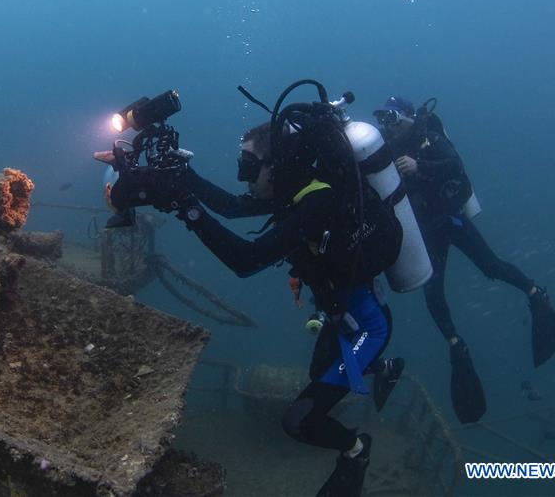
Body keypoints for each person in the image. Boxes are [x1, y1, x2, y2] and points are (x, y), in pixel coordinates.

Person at [149, 115, 404, 497]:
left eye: (249, 166)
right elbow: (233, 206)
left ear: (278, 164)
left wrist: (188, 209)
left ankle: (355, 450)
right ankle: (383, 369)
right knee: (320, 370)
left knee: (300, 421)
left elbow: (246, 260)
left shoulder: (318, 200)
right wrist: (183, 176)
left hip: (367, 328)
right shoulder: (292, 192)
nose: (243, 176)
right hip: (340, 317)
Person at [373, 96, 555, 424]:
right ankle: (456, 345)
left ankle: (534, 294)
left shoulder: (428, 137)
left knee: (491, 266)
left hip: (450, 220)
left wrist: (420, 166)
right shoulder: (388, 150)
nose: (389, 126)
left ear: (407, 116)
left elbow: (454, 165)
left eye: (393, 118)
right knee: (432, 294)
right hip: (426, 231)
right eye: (384, 120)